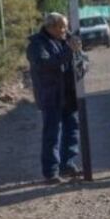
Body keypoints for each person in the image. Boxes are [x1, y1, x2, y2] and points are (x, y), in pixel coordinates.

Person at [26, 12, 84, 184]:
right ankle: (51, 172)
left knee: (72, 130)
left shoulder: (67, 40)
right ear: (50, 27)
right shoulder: (36, 45)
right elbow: (46, 65)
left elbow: (82, 59)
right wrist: (68, 50)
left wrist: (82, 63)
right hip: (51, 96)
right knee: (52, 134)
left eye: (66, 26)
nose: (65, 30)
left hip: (69, 95)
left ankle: (67, 164)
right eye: (62, 27)